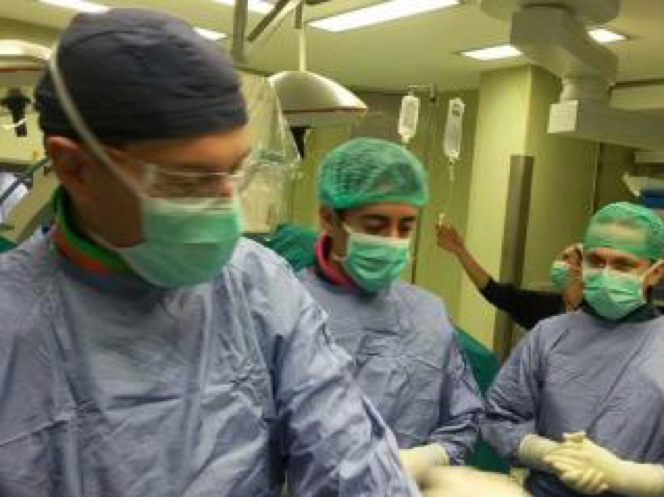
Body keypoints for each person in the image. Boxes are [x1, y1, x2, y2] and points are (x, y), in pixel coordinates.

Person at [0, 9, 420, 496]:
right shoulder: (12, 320)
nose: (227, 207)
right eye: (188, 181)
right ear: (75, 168)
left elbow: (348, 461)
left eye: (235, 171)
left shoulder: (260, 287)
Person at [297, 137, 484, 486]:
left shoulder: (428, 313)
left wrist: (424, 459)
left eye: (406, 227)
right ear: (328, 218)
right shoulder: (289, 308)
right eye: (375, 225)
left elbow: (463, 419)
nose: (392, 239)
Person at [482, 202, 664, 497]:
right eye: (596, 261)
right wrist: (549, 454)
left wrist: (624, 476)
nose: (606, 273)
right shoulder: (548, 336)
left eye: (623, 265)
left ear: (656, 272)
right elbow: (499, 418)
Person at [437, 223, 583, 329]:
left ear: (581, 270)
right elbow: (495, 292)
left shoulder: (592, 318)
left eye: (566, 258)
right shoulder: (547, 308)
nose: (558, 263)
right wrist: (460, 251)